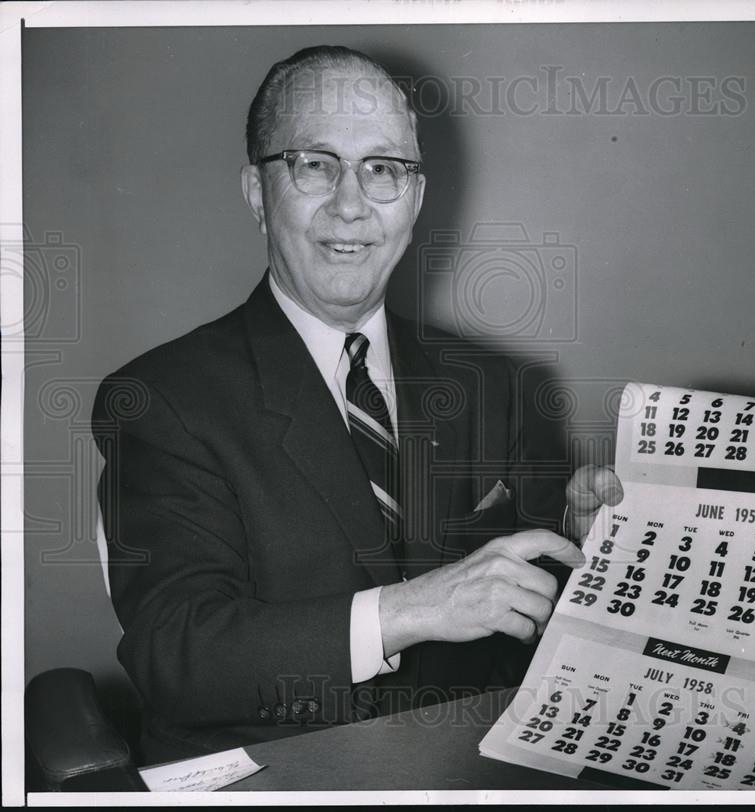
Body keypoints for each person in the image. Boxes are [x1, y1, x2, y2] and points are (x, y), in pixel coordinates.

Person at [92, 45, 622, 764]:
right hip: (278, 774)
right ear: (256, 191)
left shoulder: (502, 386)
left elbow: (533, 619)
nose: (351, 204)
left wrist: (599, 553)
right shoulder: (161, 400)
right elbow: (178, 656)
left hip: (469, 766)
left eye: (383, 168)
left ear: (416, 198)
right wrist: (413, 610)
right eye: (314, 163)